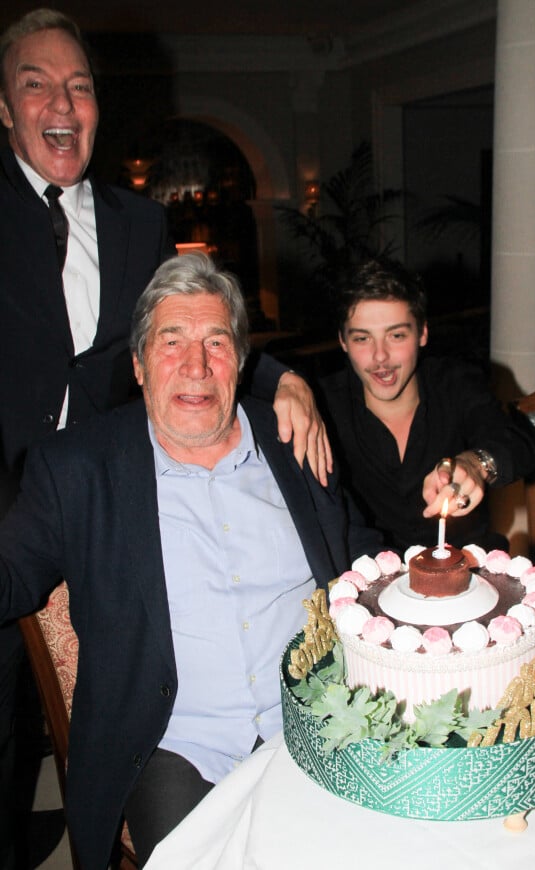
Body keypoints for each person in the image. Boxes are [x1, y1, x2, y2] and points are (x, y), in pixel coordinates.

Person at [0, 9, 330, 866]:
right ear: (4, 106)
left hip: (127, 483)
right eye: (36, 82)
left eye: (78, 84)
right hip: (32, 502)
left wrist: (282, 378)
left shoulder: (136, 219)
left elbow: (189, 335)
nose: (60, 100)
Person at [0, 252, 378, 870]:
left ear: (243, 362)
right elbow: (13, 572)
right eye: (171, 341)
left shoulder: (293, 440)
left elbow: (354, 550)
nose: (196, 366)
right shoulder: (78, 469)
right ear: (140, 365)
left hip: (319, 720)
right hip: (174, 743)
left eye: (216, 342)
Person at [318, 258, 535, 553]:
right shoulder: (323, 403)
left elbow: (520, 445)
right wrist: (287, 382)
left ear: (422, 333)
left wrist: (476, 464)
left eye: (396, 335)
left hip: (468, 571)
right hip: (371, 582)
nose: (380, 356)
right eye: (362, 338)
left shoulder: (454, 382)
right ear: (343, 341)